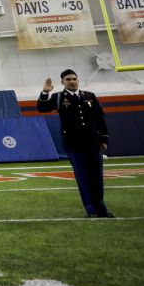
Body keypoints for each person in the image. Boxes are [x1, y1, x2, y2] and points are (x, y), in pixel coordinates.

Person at [36, 70, 113, 218]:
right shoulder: (58, 97)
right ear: (62, 82)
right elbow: (42, 108)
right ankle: (91, 210)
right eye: (68, 79)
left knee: (97, 178)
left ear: (78, 80)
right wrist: (45, 92)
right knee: (83, 178)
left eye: (74, 79)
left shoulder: (90, 96)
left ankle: (101, 209)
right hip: (74, 144)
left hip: (93, 142)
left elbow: (100, 119)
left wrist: (103, 139)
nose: (72, 81)